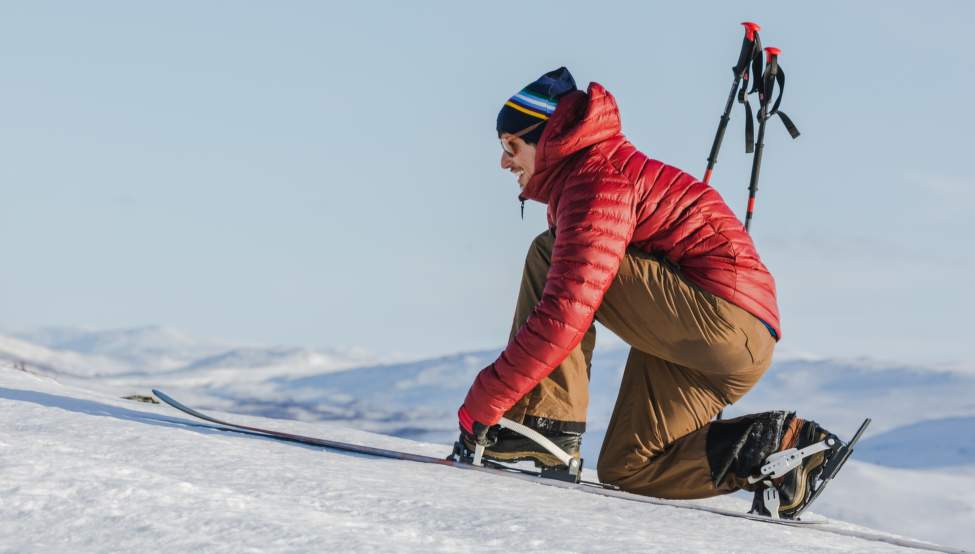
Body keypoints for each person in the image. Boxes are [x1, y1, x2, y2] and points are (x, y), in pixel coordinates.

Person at [455, 67, 834, 517]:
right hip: (722, 341)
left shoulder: (598, 180)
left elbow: (566, 311)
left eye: (511, 146)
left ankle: (544, 427)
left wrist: (486, 398)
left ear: (547, 140)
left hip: (721, 321)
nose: (504, 162)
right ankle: (780, 447)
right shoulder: (593, 177)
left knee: (552, 254)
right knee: (630, 467)